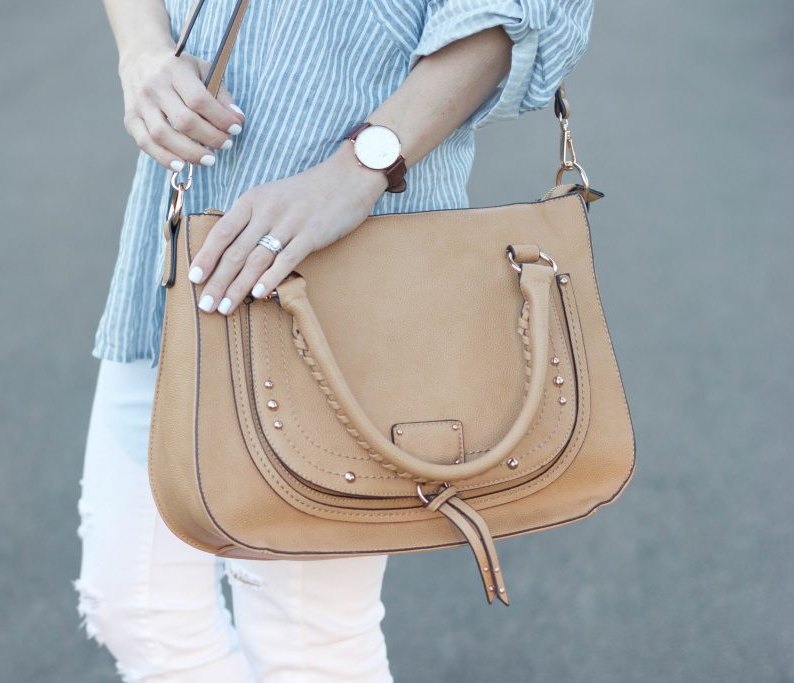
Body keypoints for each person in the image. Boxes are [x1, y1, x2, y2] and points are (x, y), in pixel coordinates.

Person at [75, 1, 593, 680]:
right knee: (137, 609)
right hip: (181, 250)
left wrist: (361, 167)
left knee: (306, 642)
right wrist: (143, 53)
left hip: (353, 253)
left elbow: (508, 14)